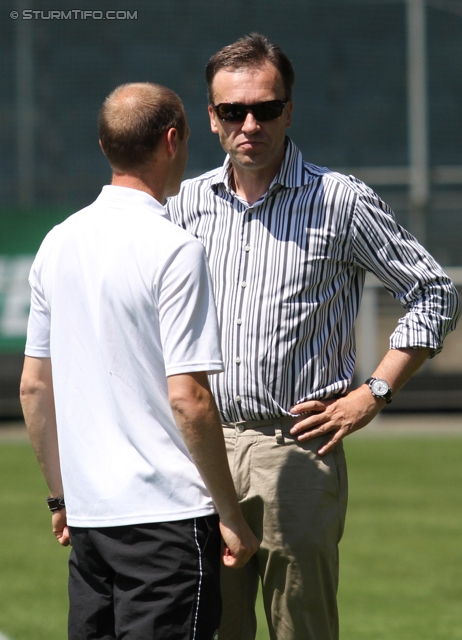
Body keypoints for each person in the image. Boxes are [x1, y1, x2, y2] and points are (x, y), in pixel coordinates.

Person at [166, 34, 461, 640]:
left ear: (289, 111)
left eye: (266, 109)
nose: (251, 123)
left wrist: (371, 393)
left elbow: (436, 290)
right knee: (206, 629)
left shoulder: (339, 200)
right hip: (198, 450)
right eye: (232, 111)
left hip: (296, 447)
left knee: (303, 631)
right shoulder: (182, 205)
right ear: (212, 118)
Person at [20, 82, 258, 640]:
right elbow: (189, 398)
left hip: (91, 524)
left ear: (104, 145)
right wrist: (230, 514)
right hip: (168, 523)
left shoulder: (57, 242)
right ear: (173, 140)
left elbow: (34, 388)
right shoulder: (175, 248)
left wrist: (61, 497)